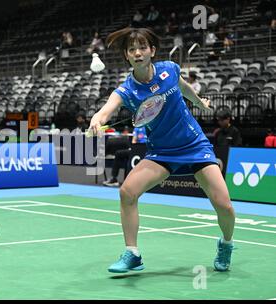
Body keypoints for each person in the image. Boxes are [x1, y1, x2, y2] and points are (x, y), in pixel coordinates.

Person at [89, 27, 236, 273]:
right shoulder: (127, 89)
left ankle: (226, 243)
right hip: (162, 153)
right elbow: (106, 109)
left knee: (225, 206)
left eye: (142, 48)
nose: (138, 53)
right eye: (132, 49)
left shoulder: (169, 69)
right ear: (127, 56)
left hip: (194, 144)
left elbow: (184, 87)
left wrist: (199, 101)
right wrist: (97, 120)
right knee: (127, 192)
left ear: (152, 51)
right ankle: (132, 253)